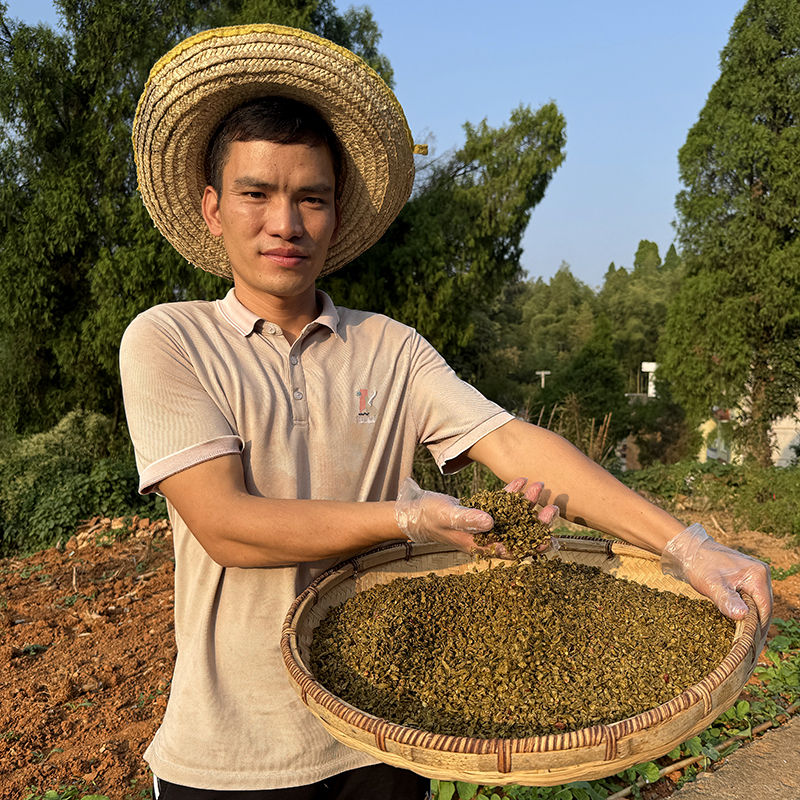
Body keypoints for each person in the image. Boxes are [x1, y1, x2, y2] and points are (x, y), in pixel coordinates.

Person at [121, 23, 773, 799]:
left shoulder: (388, 348)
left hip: (392, 731)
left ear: (335, 212)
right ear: (211, 206)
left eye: (311, 199)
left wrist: (687, 545)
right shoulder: (170, 339)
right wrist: (405, 519)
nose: (285, 223)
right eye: (256, 194)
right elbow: (226, 524)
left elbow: (516, 445)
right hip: (231, 756)